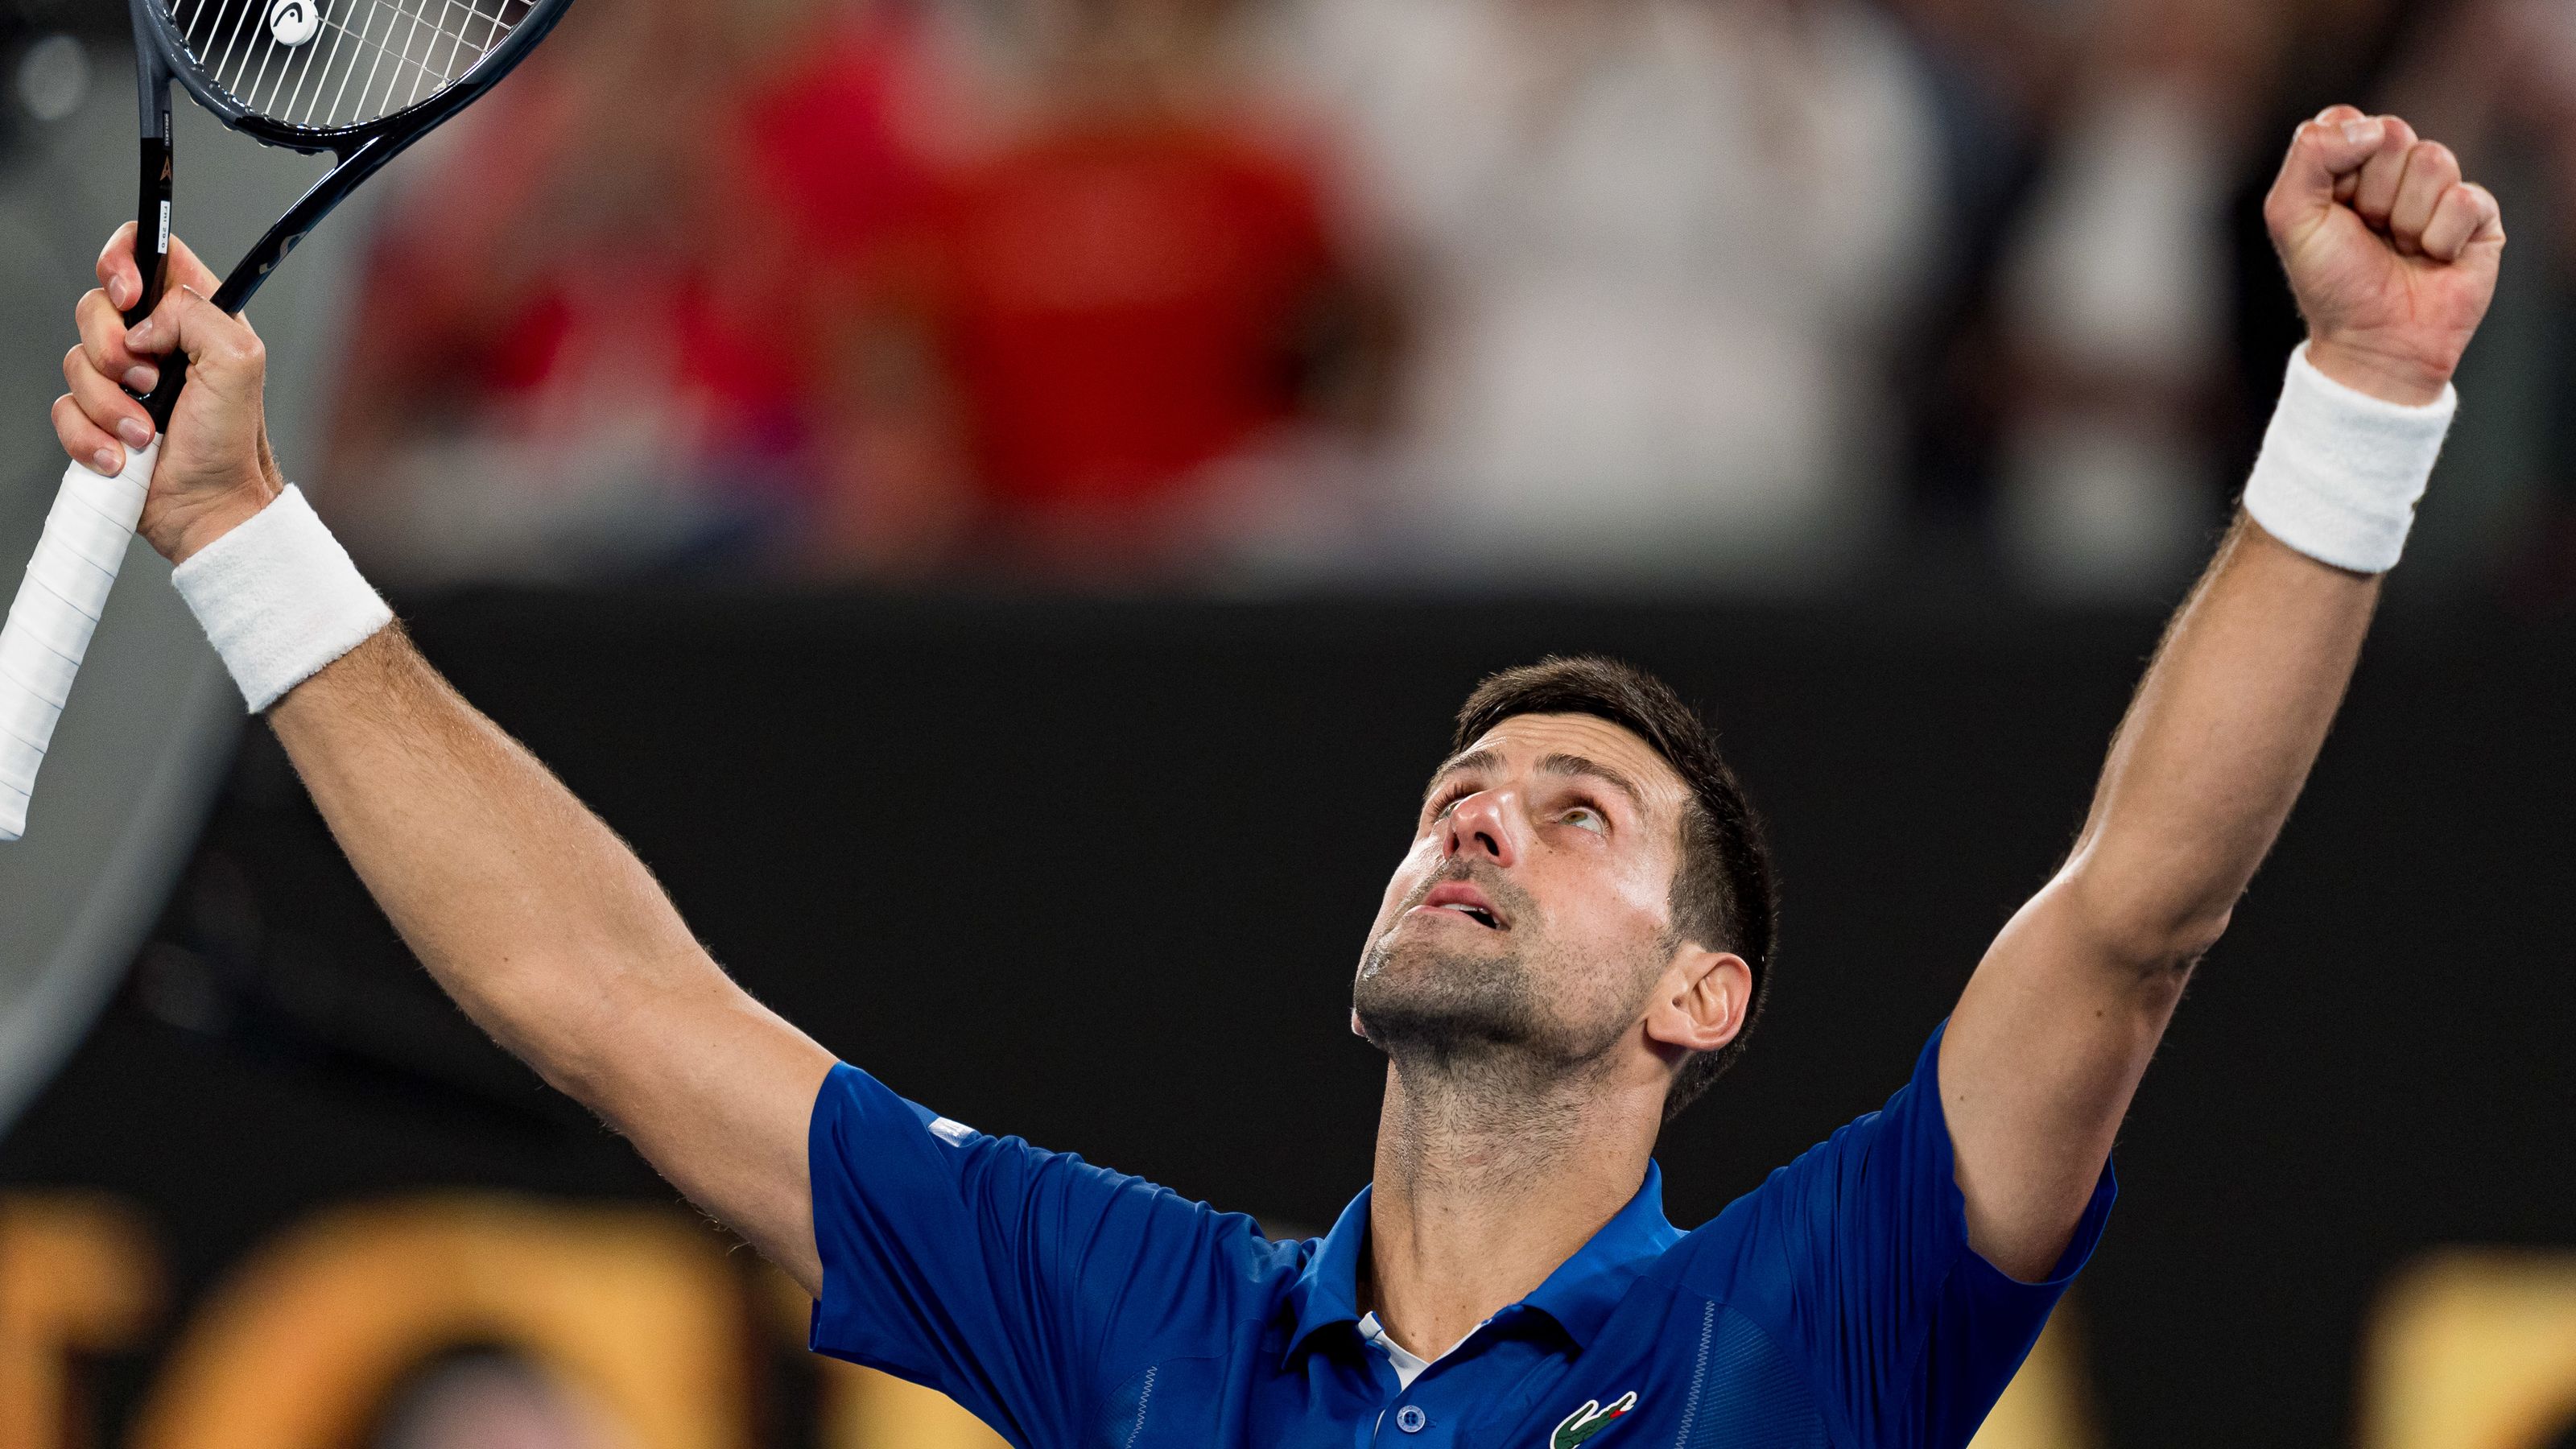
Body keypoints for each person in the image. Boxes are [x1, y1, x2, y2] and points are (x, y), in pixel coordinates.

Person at [50, 108, 2504, 1446]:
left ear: (1702, 1002)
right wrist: (243, 530)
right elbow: (608, 998)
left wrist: (2365, 400)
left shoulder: (1824, 1318)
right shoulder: (1140, 1320)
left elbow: (2134, 911)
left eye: (1578, 816)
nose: (1480, 818)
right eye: (1467, 783)